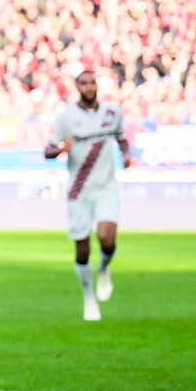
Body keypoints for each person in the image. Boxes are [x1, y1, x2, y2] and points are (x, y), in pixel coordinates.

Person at [44, 70, 132, 321]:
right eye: (84, 83)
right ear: (77, 87)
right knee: (82, 249)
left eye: (92, 82)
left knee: (106, 238)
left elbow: (122, 140)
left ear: (97, 85)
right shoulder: (67, 117)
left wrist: (126, 154)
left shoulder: (112, 112)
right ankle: (88, 299)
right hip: (78, 190)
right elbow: (48, 150)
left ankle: (103, 268)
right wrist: (62, 148)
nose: (89, 87)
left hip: (106, 187)